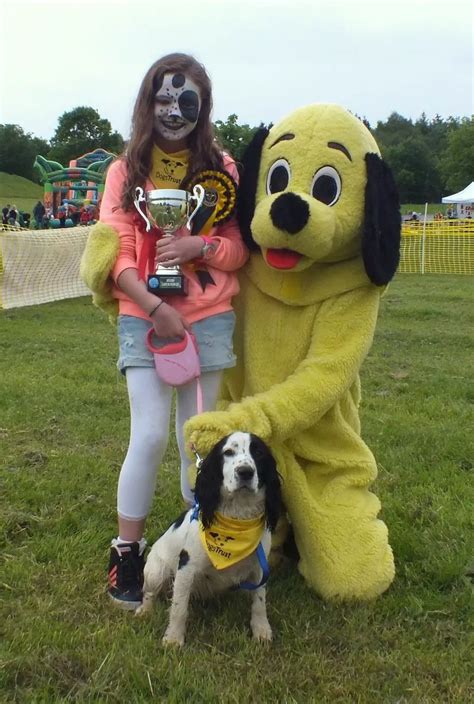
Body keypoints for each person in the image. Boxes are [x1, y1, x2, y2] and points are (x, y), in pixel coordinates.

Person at [96, 53, 248, 609]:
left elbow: (238, 250)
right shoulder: (125, 170)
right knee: (152, 434)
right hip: (144, 317)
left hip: (209, 319)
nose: (174, 110)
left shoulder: (222, 167)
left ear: (203, 106)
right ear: (147, 101)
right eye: (164, 98)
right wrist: (154, 306)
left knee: (198, 440)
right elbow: (112, 252)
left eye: (187, 100)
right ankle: (126, 554)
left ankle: (199, 548)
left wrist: (198, 247)